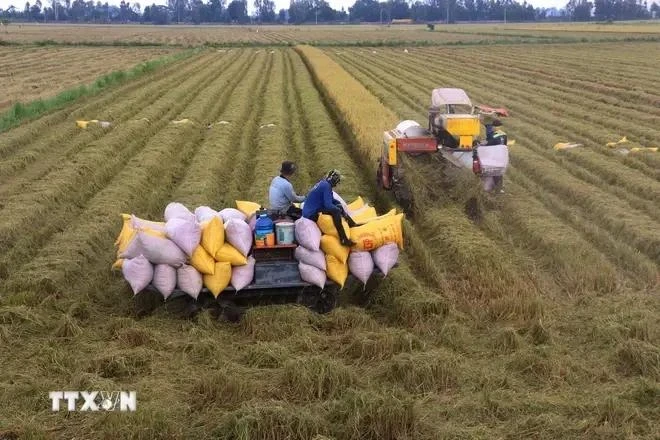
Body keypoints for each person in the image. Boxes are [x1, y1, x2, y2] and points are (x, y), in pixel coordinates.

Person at [302, 169, 358, 247]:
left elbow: (331, 200)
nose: (338, 183)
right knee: (336, 211)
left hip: (311, 210)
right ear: (334, 181)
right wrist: (338, 209)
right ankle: (343, 239)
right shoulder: (326, 186)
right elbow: (328, 205)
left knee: (338, 207)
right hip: (311, 214)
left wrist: (339, 205)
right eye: (337, 181)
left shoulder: (324, 184)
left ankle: (352, 224)